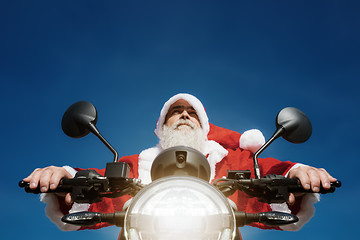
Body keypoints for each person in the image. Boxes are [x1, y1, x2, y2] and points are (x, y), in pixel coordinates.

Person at [23, 93, 337, 236]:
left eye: (192, 112)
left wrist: (298, 173)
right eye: (176, 111)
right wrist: (62, 176)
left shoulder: (235, 160)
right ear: (162, 126)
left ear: (204, 125)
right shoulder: (135, 165)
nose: (184, 115)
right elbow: (92, 189)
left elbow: (272, 175)